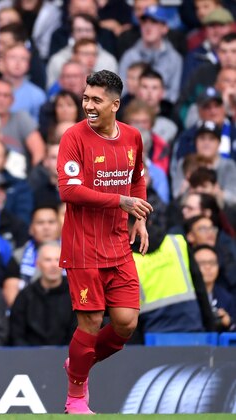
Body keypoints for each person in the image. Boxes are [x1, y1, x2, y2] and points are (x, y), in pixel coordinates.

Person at [56, 70, 153, 414]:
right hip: (82, 247)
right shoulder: (74, 137)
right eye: (85, 98)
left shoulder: (132, 137)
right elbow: (68, 189)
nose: (88, 105)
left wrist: (139, 218)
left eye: (96, 100)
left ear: (115, 104)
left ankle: (77, 364)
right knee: (92, 322)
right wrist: (120, 202)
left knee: (126, 323)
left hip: (117, 245)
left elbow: (137, 179)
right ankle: (76, 395)